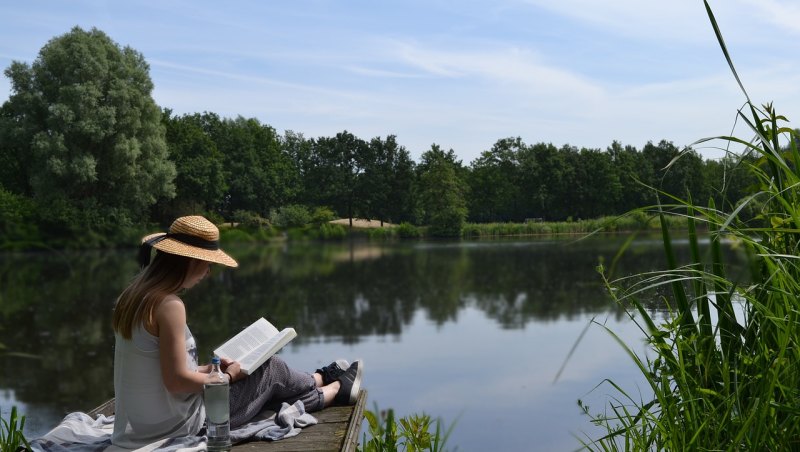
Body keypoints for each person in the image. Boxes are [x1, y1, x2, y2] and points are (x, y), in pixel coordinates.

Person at [111, 215, 363, 448]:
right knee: (270, 367)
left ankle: (321, 382)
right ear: (191, 261)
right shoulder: (169, 305)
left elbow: (161, 370)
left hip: (143, 424)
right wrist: (228, 378)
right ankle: (327, 388)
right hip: (179, 425)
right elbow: (176, 382)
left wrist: (211, 370)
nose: (208, 272)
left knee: (260, 387)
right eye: (208, 264)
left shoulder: (133, 298)